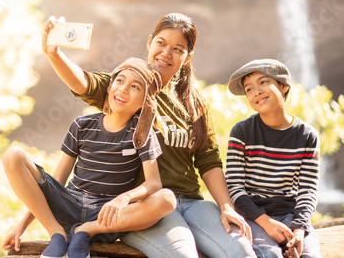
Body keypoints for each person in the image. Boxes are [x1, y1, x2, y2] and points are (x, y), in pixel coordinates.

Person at [42, 13, 255, 258]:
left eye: (178, 49)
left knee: (242, 252)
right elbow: (84, 83)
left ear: (188, 57)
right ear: (149, 42)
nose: (166, 53)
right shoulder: (130, 89)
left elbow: (208, 160)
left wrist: (227, 207)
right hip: (146, 207)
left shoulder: (195, 101)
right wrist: (54, 54)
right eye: (161, 43)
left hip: (193, 203)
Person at [1, 57, 177, 258]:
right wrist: (21, 227)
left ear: (144, 101)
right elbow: (57, 181)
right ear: (110, 86)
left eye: (135, 87)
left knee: (167, 199)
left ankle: (85, 231)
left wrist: (123, 199)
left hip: (106, 216)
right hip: (69, 204)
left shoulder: (142, 134)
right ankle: (57, 234)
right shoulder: (81, 125)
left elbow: (154, 183)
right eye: (120, 81)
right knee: (13, 155)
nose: (123, 89)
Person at [225, 58, 321, 258]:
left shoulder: (307, 135)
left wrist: (300, 229)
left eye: (263, 82)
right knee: (270, 255)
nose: (256, 92)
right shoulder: (242, 132)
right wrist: (265, 222)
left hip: (291, 215)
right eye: (249, 89)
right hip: (254, 216)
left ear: (283, 86)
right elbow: (234, 187)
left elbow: (308, 189)